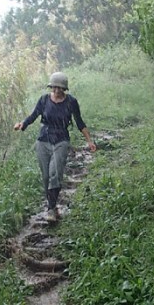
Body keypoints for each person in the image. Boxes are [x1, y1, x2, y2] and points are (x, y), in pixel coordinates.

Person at [14, 72, 97, 221]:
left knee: (55, 174)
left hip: (61, 141)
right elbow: (33, 116)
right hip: (43, 140)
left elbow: (79, 122)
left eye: (60, 88)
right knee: (46, 176)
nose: (57, 91)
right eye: (54, 87)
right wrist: (22, 124)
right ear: (51, 87)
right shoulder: (44, 100)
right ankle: (52, 205)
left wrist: (89, 141)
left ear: (64, 88)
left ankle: (50, 209)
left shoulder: (71, 102)